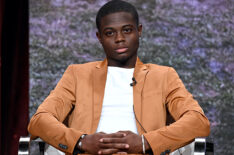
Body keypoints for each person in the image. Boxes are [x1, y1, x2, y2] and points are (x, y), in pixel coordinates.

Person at [28, 0, 210, 155]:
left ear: (139, 31)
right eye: (110, 33)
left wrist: (145, 142)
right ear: (99, 37)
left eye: (127, 30)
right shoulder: (77, 74)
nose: (119, 39)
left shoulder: (163, 76)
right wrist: (81, 142)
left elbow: (197, 121)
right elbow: (40, 120)